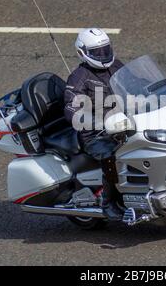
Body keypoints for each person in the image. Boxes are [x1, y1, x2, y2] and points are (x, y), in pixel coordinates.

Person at [64, 28, 124, 220]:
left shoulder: (116, 66)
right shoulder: (79, 77)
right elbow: (72, 109)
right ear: (82, 53)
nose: (103, 55)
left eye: (105, 49)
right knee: (112, 155)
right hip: (97, 134)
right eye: (97, 52)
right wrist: (97, 122)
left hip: (124, 123)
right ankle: (109, 203)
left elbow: (136, 82)